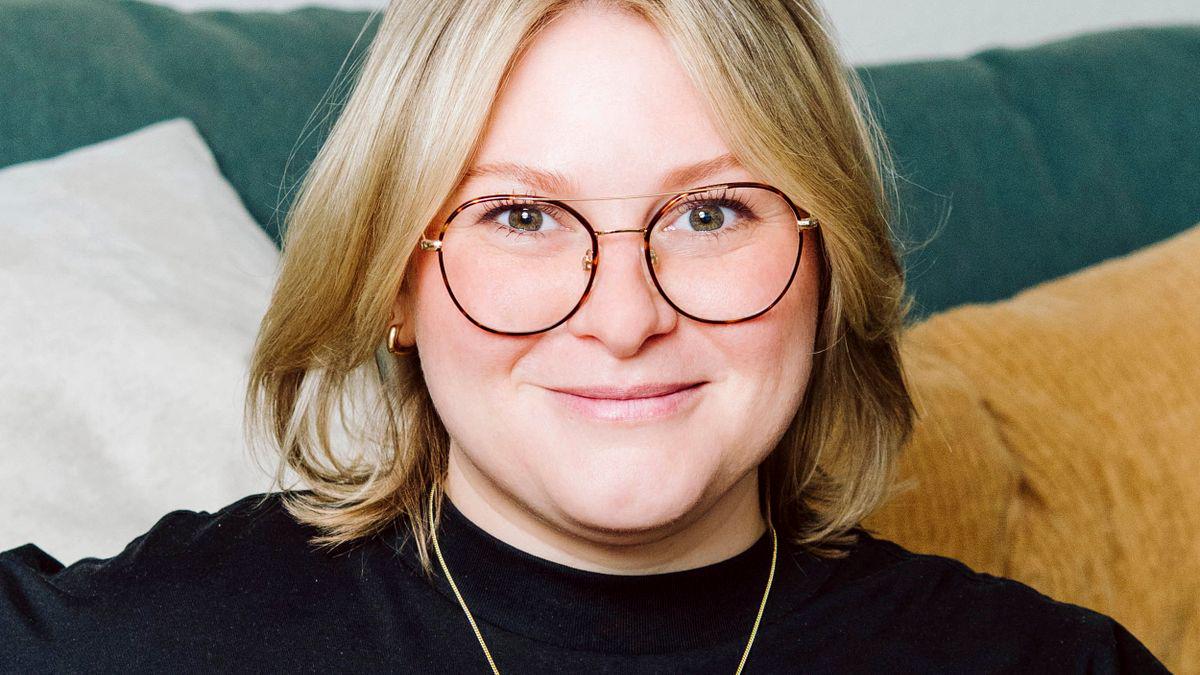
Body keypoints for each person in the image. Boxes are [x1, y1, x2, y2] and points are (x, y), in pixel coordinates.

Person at [0, 0, 1169, 672]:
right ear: (394, 282)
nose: (623, 319)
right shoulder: (150, 637)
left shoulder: (1043, 662)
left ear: (826, 266)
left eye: (711, 214)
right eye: (521, 217)